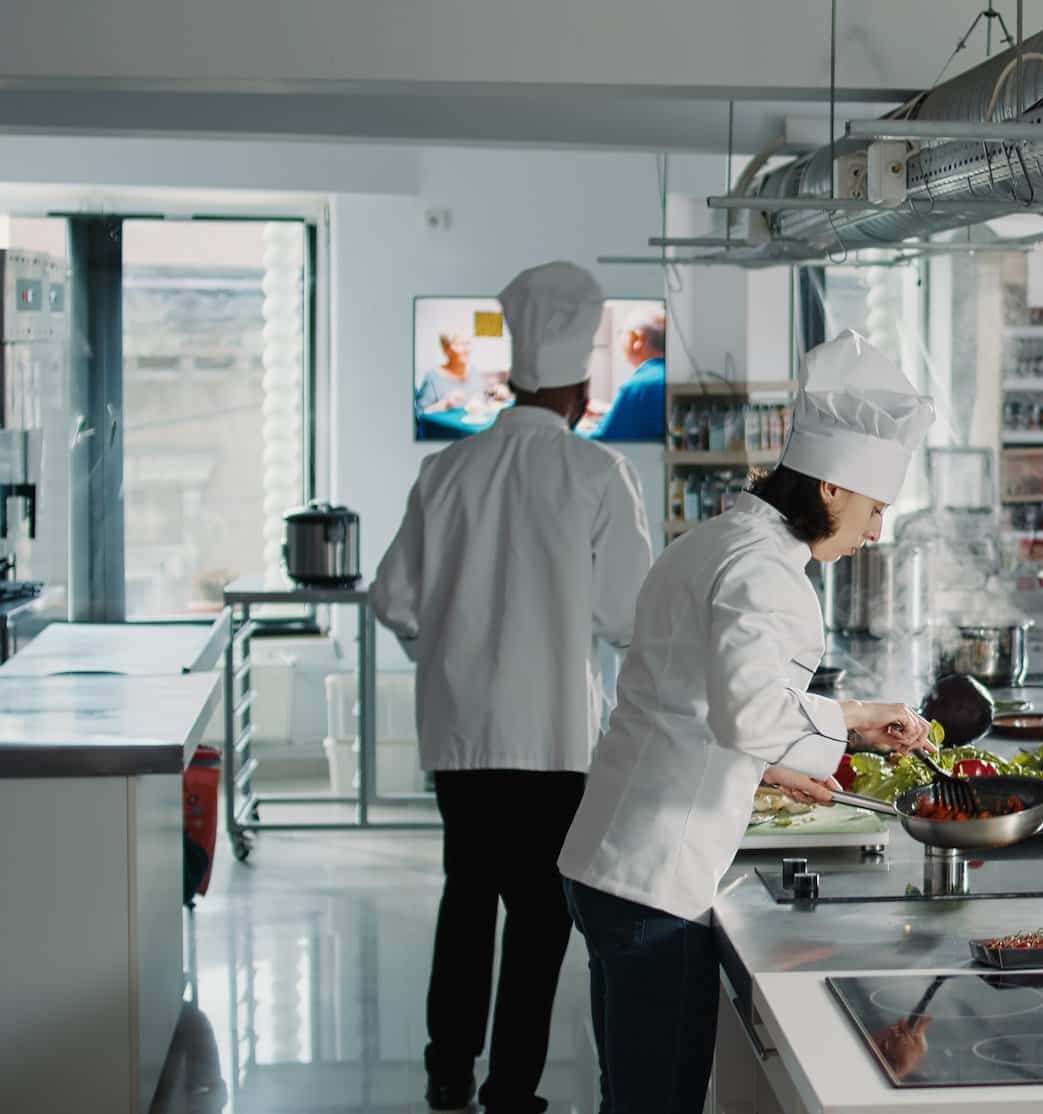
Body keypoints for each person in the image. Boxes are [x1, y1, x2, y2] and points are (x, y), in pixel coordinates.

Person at [557, 329, 938, 1113]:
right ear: (830, 487)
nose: (874, 533)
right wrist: (857, 723)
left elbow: (681, 700)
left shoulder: (716, 542)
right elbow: (750, 715)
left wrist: (771, 768)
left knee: (627, 1097)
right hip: (657, 878)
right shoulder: (767, 572)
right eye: (873, 509)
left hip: (611, 857)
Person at [373, 262, 656, 1114]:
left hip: (460, 732)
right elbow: (626, 617)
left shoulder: (447, 470)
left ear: (517, 376)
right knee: (540, 915)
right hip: (553, 732)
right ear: (576, 384)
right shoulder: (598, 476)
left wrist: (448, 651)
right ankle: (509, 1091)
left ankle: (446, 1069)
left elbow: (392, 598)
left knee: (467, 894)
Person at [588, 314, 666, 441]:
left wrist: (571, 426)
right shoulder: (667, 375)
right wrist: (610, 412)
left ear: (637, 338)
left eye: (621, 333)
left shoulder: (640, 385)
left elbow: (603, 440)